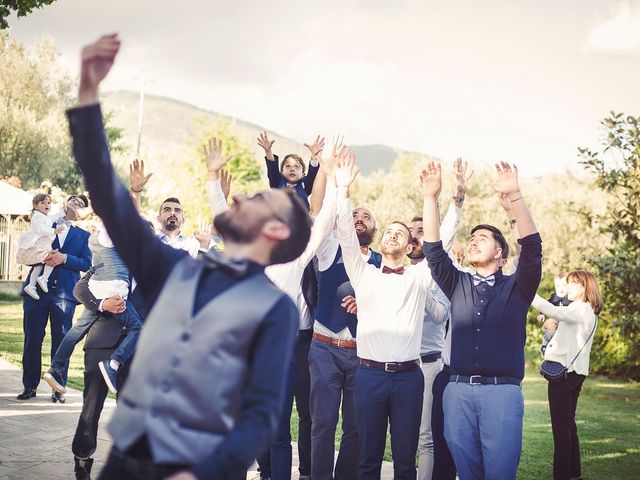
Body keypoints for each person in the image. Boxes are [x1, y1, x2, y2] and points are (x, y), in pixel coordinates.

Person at [69, 33, 312, 480]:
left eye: (257, 198)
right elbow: (106, 192)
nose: (238, 198)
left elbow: (260, 415)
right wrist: (87, 94)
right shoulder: (175, 269)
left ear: (276, 230)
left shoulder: (272, 309)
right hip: (127, 460)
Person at [206, 136, 342, 480]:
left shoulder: (296, 254)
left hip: (294, 343)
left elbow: (323, 220)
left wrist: (331, 178)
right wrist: (212, 179)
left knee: (281, 429)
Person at [334, 153, 463, 480]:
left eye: (400, 234)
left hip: (409, 378)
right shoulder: (364, 274)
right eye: (388, 231)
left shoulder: (419, 277)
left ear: (408, 248)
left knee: (406, 461)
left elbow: (441, 240)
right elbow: (347, 236)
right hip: (369, 376)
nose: (392, 235)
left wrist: (446, 200)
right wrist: (343, 191)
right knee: (368, 459)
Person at [422, 160, 542, 480]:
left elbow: (531, 248)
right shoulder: (457, 282)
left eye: (484, 238)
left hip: (502, 394)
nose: (474, 240)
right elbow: (433, 250)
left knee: (500, 475)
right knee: (467, 473)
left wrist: (515, 196)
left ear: (502, 255)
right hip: (457, 392)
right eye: (472, 237)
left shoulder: (518, 288)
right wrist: (430, 198)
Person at [43, 224, 143, 395]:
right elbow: (79, 289)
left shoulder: (96, 240)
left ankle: (55, 368)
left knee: (77, 330)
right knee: (138, 328)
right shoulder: (111, 234)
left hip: (98, 289)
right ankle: (113, 364)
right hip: (113, 293)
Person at [69, 269, 143, 480]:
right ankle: (82, 461)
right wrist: (102, 304)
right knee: (91, 406)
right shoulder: (107, 260)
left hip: (137, 348)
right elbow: (80, 288)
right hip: (101, 342)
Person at [17, 194, 92, 403]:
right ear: (65, 203)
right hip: (35, 294)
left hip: (64, 296)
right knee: (32, 341)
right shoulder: (44, 222)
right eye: (74, 200)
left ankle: (58, 389)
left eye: (82, 204)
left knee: (61, 343)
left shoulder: (83, 235)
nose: (77, 203)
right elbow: (28, 250)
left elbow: (87, 263)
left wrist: (64, 258)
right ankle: (29, 386)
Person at [531, 270, 601, 480]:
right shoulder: (587, 310)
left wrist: (527, 291)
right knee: (568, 426)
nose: (567, 287)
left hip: (565, 376)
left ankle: (562, 475)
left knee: (561, 430)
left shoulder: (580, 309)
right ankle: (574, 474)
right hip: (575, 374)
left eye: (572, 284)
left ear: (584, 288)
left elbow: (552, 309)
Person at [17, 193, 66, 300]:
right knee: (52, 257)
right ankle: (44, 278)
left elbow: (54, 217)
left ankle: (31, 285)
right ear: (35, 205)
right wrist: (54, 231)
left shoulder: (45, 217)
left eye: (48, 202)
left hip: (43, 244)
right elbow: (40, 230)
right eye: (43, 203)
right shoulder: (37, 217)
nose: (46, 204)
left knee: (38, 265)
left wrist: (63, 211)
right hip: (39, 244)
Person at [258, 131, 322, 209]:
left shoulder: (305, 185)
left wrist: (314, 155)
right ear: (281, 172)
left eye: (297, 166)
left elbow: (312, 174)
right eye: (288, 166)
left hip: (301, 220)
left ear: (302, 174)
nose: (292, 169)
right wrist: (268, 151)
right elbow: (272, 168)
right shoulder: (277, 182)